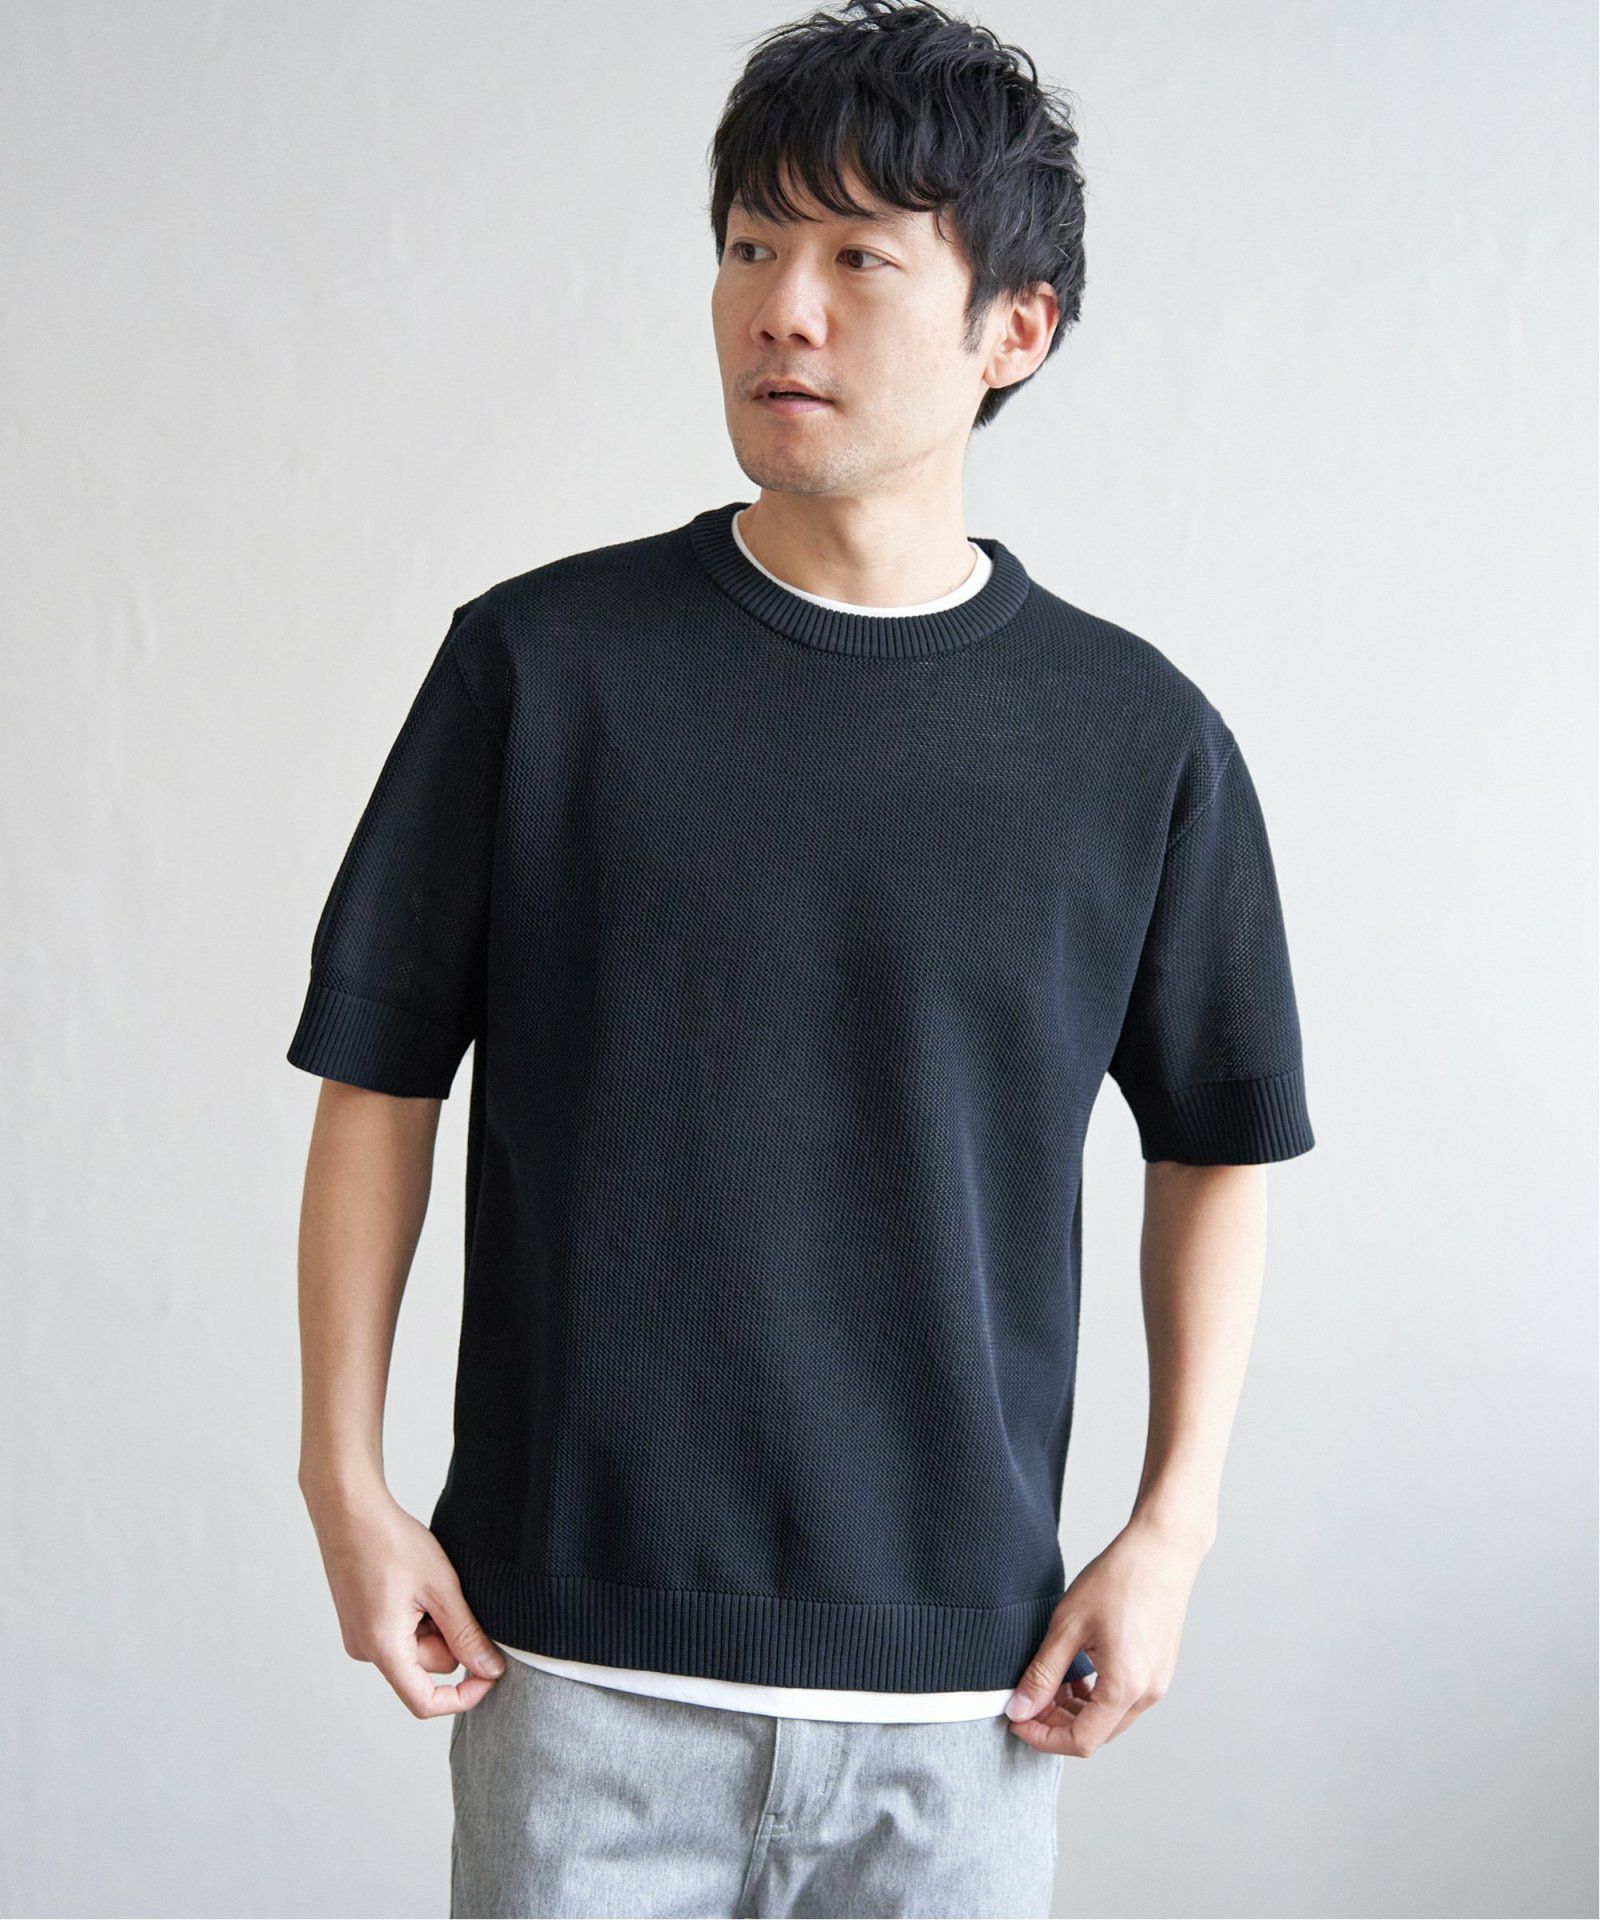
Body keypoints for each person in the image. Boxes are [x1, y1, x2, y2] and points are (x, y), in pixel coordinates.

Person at [287, 2, 1316, 1914]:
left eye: (859, 259)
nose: (784, 310)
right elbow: (378, 1082)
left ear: (1016, 328)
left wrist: (1168, 1535)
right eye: (753, 247)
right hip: (575, 1679)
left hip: (967, 1706)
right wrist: (340, 1478)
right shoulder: (541, 671)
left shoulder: (1137, 741)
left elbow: (1220, 1147)